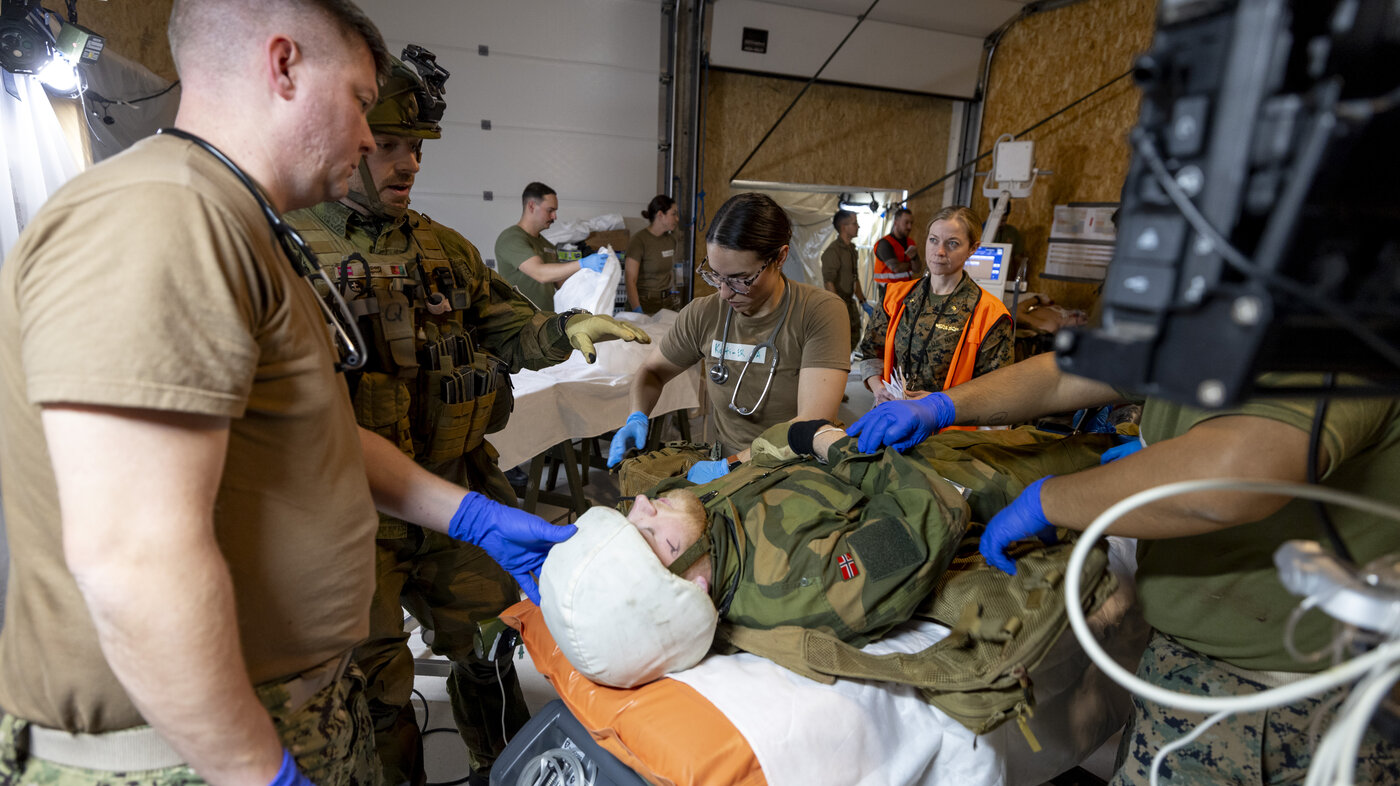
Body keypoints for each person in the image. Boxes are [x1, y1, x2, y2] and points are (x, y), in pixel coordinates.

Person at [0, 3, 574, 785]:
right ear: (284, 66)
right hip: (186, 755)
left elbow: (314, 435)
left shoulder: (245, 227)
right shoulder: (163, 218)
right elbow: (131, 556)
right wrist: (251, 769)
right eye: (363, 103)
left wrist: (470, 515)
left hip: (279, 718)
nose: (375, 142)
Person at [284, 54, 649, 785]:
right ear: (346, 141)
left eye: (416, 148)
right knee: (377, 680)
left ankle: (501, 765)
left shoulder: (443, 248)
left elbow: (508, 327)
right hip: (352, 520)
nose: (408, 163)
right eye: (389, 145)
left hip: (455, 492)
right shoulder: (288, 250)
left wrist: (565, 331)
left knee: (492, 641)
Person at [848, 356, 1400, 784]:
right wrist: (945, 406)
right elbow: (1072, 374)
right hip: (1198, 670)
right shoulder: (1219, 308)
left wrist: (1055, 500)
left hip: (1278, 700)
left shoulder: (1336, 317)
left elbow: (1237, 472)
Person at [543, 419, 1115, 688]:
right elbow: (931, 512)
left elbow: (761, 468)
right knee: (1122, 456)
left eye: (630, 516)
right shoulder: (802, 583)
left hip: (921, 442)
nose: (641, 504)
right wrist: (828, 442)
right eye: (645, 531)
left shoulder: (700, 528)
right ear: (687, 590)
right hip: (975, 477)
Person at [605, 192, 851, 482]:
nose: (724, 292)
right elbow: (652, 372)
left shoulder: (819, 312)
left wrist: (729, 466)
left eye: (740, 279)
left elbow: (809, 426)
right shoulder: (705, 313)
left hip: (797, 470)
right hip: (725, 463)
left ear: (779, 258)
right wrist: (637, 416)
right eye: (715, 275)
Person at [855, 205, 1013, 406]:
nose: (939, 251)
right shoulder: (895, 297)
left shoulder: (990, 314)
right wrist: (879, 390)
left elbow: (996, 386)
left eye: (953, 243)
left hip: (948, 430)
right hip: (892, 417)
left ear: (973, 248)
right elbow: (871, 352)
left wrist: (942, 402)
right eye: (933, 240)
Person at [495, 182, 601, 311]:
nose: (554, 216)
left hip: (544, 320)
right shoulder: (511, 238)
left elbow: (562, 284)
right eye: (550, 210)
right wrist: (582, 264)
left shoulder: (547, 245)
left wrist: (591, 279)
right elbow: (540, 273)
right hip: (519, 322)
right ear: (532, 206)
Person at [625, 194, 683, 314]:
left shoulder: (671, 239)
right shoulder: (639, 240)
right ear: (660, 215)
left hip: (667, 303)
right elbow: (630, 281)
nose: (677, 218)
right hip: (644, 303)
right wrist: (637, 309)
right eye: (673, 214)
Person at [821, 208, 868, 350]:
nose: (858, 226)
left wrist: (863, 301)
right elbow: (828, 281)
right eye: (854, 223)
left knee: (854, 337)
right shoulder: (833, 251)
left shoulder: (851, 250)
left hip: (849, 302)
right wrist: (837, 306)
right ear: (843, 227)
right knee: (838, 340)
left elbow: (855, 278)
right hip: (838, 301)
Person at [871, 205, 918, 297]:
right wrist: (910, 264)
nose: (909, 226)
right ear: (896, 223)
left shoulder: (910, 242)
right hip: (888, 291)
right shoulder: (884, 244)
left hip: (906, 290)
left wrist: (913, 260)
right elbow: (896, 268)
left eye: (911, 223)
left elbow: (917, 268)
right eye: (906, 223)